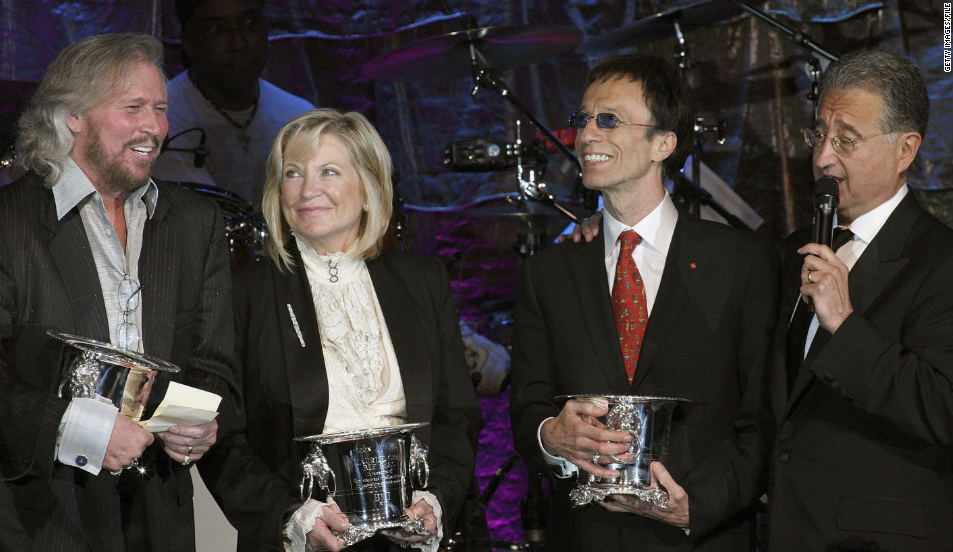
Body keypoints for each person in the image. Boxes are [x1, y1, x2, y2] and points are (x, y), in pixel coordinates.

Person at [0, 33, 239, 551]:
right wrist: (84, 430)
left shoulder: (195, 223)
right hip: (41, 516)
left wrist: (190, 423)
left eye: (160, 109)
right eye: (133, 107)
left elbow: (214, 362)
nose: (155, 128)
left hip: (160, 516)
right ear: (73, 115)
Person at [509, 53, 779, 551]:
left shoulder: (741, 261)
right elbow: (527, 407)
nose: (587, 135)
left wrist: (699, 505)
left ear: (663, 143)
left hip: (703, 536)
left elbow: (763, 417)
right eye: (582, 119)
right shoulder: (548, 273)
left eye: (609, 120)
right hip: (587, 537)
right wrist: (552, 436)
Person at [196, 108, 482, 551]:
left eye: (329, 171)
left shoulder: (423, 279)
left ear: (370, 189)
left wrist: (436, 500)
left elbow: (457, 418)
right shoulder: (244, 291)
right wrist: (293, 516)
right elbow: (221, 440)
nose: (308, 190)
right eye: (293, 174)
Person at [766, 49, 953, 551]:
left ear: (906, 150)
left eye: (845, 140)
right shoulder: (793, 248)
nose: (824, 157)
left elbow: (942, 408)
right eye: (819, 136)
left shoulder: (941, 260)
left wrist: (845, 324)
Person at [152, 0, 316, 207]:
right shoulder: (161, 120)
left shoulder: (299, 117)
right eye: (216, 30)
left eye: (250, 24)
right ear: (188, 42)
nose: (238, 43)